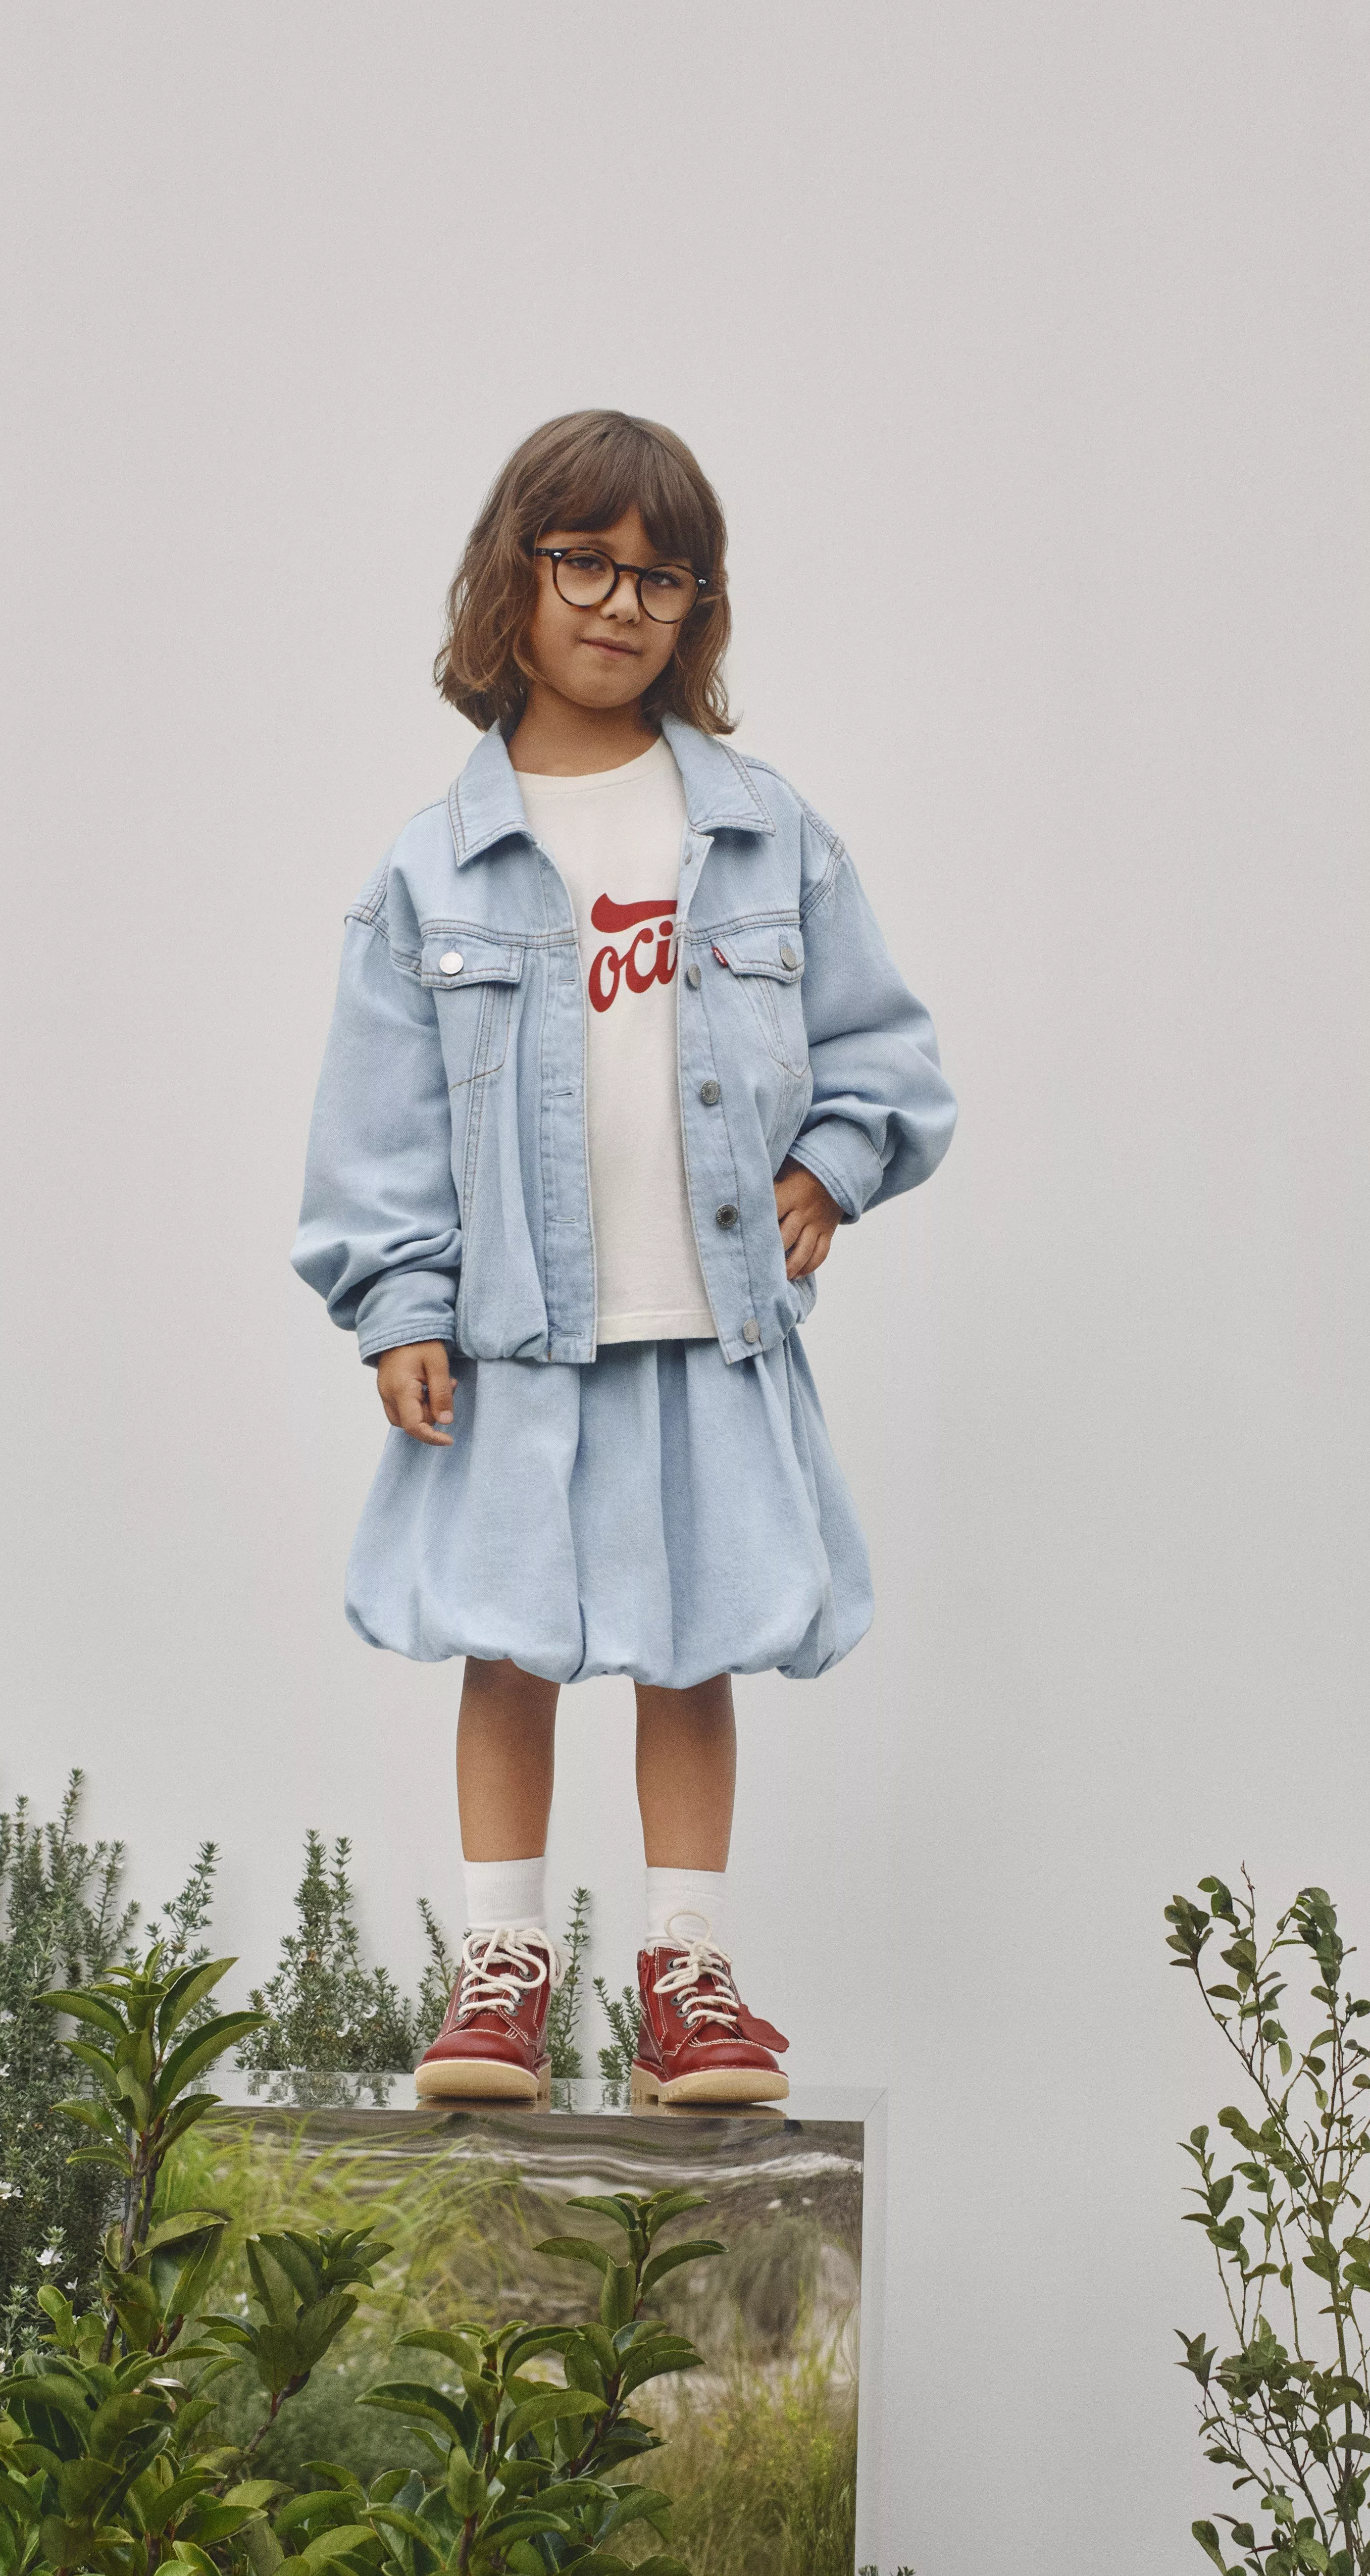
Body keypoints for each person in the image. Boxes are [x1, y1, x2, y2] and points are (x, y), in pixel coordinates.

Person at [293, 410, 955, 2106]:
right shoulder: (432, 865)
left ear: (700, 610)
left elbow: (881, 1050)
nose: (618, 602)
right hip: (513, 1338)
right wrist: (400, 1302)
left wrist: (834, 1161)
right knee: (508, 1644)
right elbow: (379, 1122)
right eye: (581, 560)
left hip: (706, 1322)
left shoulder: (761, 832)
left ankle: (689, 1970)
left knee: (692, 1643)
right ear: (511, 577)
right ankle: (501, 1964)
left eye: (663, 576)